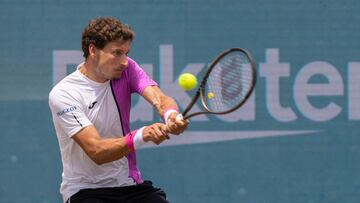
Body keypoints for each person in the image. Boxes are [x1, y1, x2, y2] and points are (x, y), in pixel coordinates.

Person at [49, 16, 188, 203]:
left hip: (128, 184)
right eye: (116, 53)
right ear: (93, 50)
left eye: (126, 53)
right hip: (85, 191)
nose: (124, 61)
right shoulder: (64, 93)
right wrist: (142, 135)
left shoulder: (127, 69)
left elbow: (160, 98)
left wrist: (171, 115)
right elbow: (96, 151)